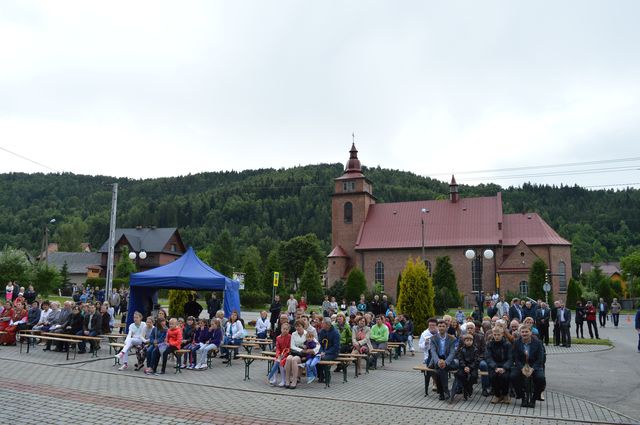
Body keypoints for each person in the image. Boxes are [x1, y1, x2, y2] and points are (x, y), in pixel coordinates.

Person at [511, 324, 546, 408]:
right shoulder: (516, 342)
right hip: (521, 365)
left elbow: (540, 358)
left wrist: (532, 369)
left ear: (531, 333)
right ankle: (522, 397)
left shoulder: (538, 343)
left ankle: (534, 398)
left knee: (541, 379)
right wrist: (522, 368)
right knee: (513, 376)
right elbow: (515, 358)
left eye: (526, 332)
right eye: (522, 332)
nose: (524, 334)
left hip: (534, 366)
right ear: (520, 333)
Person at [428, 319, 457, 400]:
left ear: (447, 328)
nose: (441, 328)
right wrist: (438, 361)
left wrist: (446, 362)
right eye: (439, 326)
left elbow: (452, 353)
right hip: (437, 359)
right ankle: (445, 392)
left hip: (448, 360)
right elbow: (433, 352)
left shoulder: (452, 339)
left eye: (443, 326)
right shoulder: (433, 338)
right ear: (437, 327)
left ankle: (442, 393)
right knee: (440, 369)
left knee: (440, 370)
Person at [486, 326, 512, 404]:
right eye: (495, 335)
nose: (496, 336)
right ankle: (497, 395)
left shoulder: (507, 344)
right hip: (494, 365)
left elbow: (510, 358)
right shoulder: (489, 344)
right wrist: (495, 367)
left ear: (502, 334)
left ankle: (505, 394)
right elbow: (488, 357)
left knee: (505, 376)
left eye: (498, 335)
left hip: (505, 365)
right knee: (493, 376)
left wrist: (504, 368)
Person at [452, 333, 480, 401]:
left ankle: (469, 387)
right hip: (464, 367)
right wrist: (464, 367)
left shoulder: (475, 349)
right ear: (464, 341)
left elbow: (476, 361)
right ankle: (465, 389)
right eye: (467, 340)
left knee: (473, 376)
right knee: (460, 374)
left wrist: (470, 367)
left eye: (470, 340)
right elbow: (460, 359)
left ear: (472, 341)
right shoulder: (462, 349)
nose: (469, 342)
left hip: (472, 367)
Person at [285, 320, 308, 388]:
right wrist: (301, 349)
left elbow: (310, 345)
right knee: (289, 359)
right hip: (295, 352)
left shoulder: (307, 334)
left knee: (294, 359)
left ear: (303, 326)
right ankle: (287, 380)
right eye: (296, 326)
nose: (297, 328)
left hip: (302, 355)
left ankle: (295, 380)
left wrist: (304, 350)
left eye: (299, 326)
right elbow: (292, 346)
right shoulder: (293, 334)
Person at [268, 322, 291, 386]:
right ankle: (275, 379)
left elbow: (289, 348)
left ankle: (283, 380)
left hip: (287, 354)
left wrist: (284, 355)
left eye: (287, 329)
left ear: (289, 330)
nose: (285, 330)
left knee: (281, 363)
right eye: (284, 329)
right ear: (281, 329)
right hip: (280, 355)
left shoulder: (290, 337)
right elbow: (277, 348)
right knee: (276, 362)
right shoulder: (278, 337)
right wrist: (278, 355)